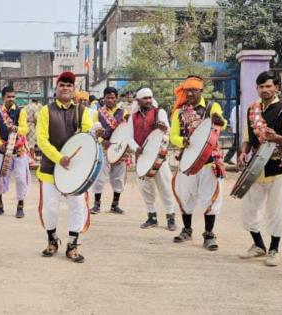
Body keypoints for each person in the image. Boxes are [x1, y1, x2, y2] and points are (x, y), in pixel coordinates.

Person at [238, 71, 282, 267]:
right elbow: (247, 138)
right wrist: (242, 153)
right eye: (261, 87)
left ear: (277, 87)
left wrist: (276, 137)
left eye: (269, 86)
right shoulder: (251, 109)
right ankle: (258, 245)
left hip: (278, 166)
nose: (265, 90)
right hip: (255, 165)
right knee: (249, 208)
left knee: (277, 210)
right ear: (257, 89)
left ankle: (274, 249)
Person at [36, 71, 92, 263]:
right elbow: (42, 140)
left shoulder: (83, 112)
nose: (66, 88)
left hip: (75, 171)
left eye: (70, 85)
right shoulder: (46, 111)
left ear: (74, 90)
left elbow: (87, 137)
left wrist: (96, 134)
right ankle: (52, 240)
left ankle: (73, 244)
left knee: (77, 206)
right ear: (56, 89)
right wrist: (59, 158)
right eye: (62, 85)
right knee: (50, 208)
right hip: (51, 168)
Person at [170, 75, 227, 251]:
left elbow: (222, 125)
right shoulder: (178, 112)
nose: (191, 93)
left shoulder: (212, 107)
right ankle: (187, 229)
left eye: (194, 90)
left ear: (201, 91)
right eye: (188, 90)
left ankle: (209, 234)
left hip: (209, 162)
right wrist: (182, 142)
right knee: (185, 194)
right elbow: (173, 136)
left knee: (209, 197)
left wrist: (219, 121)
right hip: (187, 161)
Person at [127, 88, 177, 231]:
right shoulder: (133, 117)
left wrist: (164, 129)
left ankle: (170, 218)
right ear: (138, 100)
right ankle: (152, 217)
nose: (148, 100)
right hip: (141, 158)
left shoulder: (159, 112)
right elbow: (129, 137)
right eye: (145, 98)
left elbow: (167, 132)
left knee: (165, 187)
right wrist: (136, 147)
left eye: (150, 98)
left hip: (158, 158)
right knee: (146, 190)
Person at [0, 86, 30, 218]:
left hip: (19, 149)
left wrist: (16, 128)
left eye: (13, 96)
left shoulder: (21, 111)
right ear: (3, 98)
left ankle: (20, 207)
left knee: (20, 178)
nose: (11, 99)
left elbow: (25, 129)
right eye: (9, 97)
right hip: (4, 149)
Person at [90, 87, 127, 215]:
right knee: (100, 176)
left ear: (116, 98)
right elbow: (94, 130)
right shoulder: (98, 113)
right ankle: (96, 204)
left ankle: (115, 205)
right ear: (103, 98)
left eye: (113, 97)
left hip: (119, 148)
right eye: (108, 97)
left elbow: (127, 129)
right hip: (104, 147)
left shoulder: (123, 112)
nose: (110, 100)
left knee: (118, 176)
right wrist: (101, 141)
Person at [26, 98, 42, 163]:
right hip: (32, 125)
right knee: (31, 143)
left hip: (26, 125)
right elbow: (36, 117)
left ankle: (29, 157)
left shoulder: (27, 106)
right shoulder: (35, 107)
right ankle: (31, 158)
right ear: (37, 101)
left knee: (27, 142)